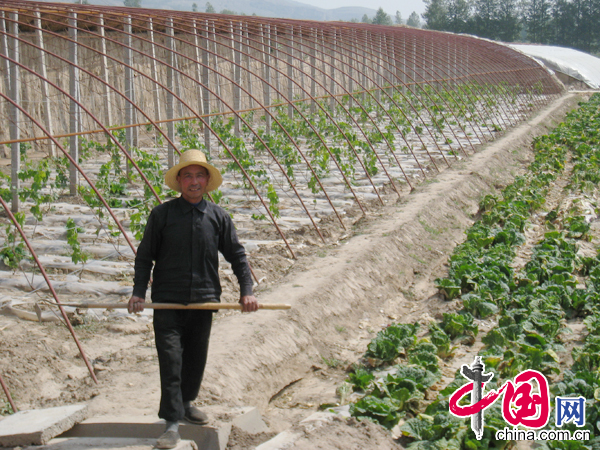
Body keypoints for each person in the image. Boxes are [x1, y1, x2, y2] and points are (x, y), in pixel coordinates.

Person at [128, 149, 258, 449]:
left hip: (204, 299)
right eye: (188, 176)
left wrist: (247, 291)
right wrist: (138, 292)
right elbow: (145, 256)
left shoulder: (217, 217)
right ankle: (172, 423)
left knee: (195, 358)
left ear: (208, 181)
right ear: (179, 181)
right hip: (167, 301)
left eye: (200, 175)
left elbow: (237, 256)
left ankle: (186, 403)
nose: (194, 181)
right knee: (171, 359)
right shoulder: (162, 215)